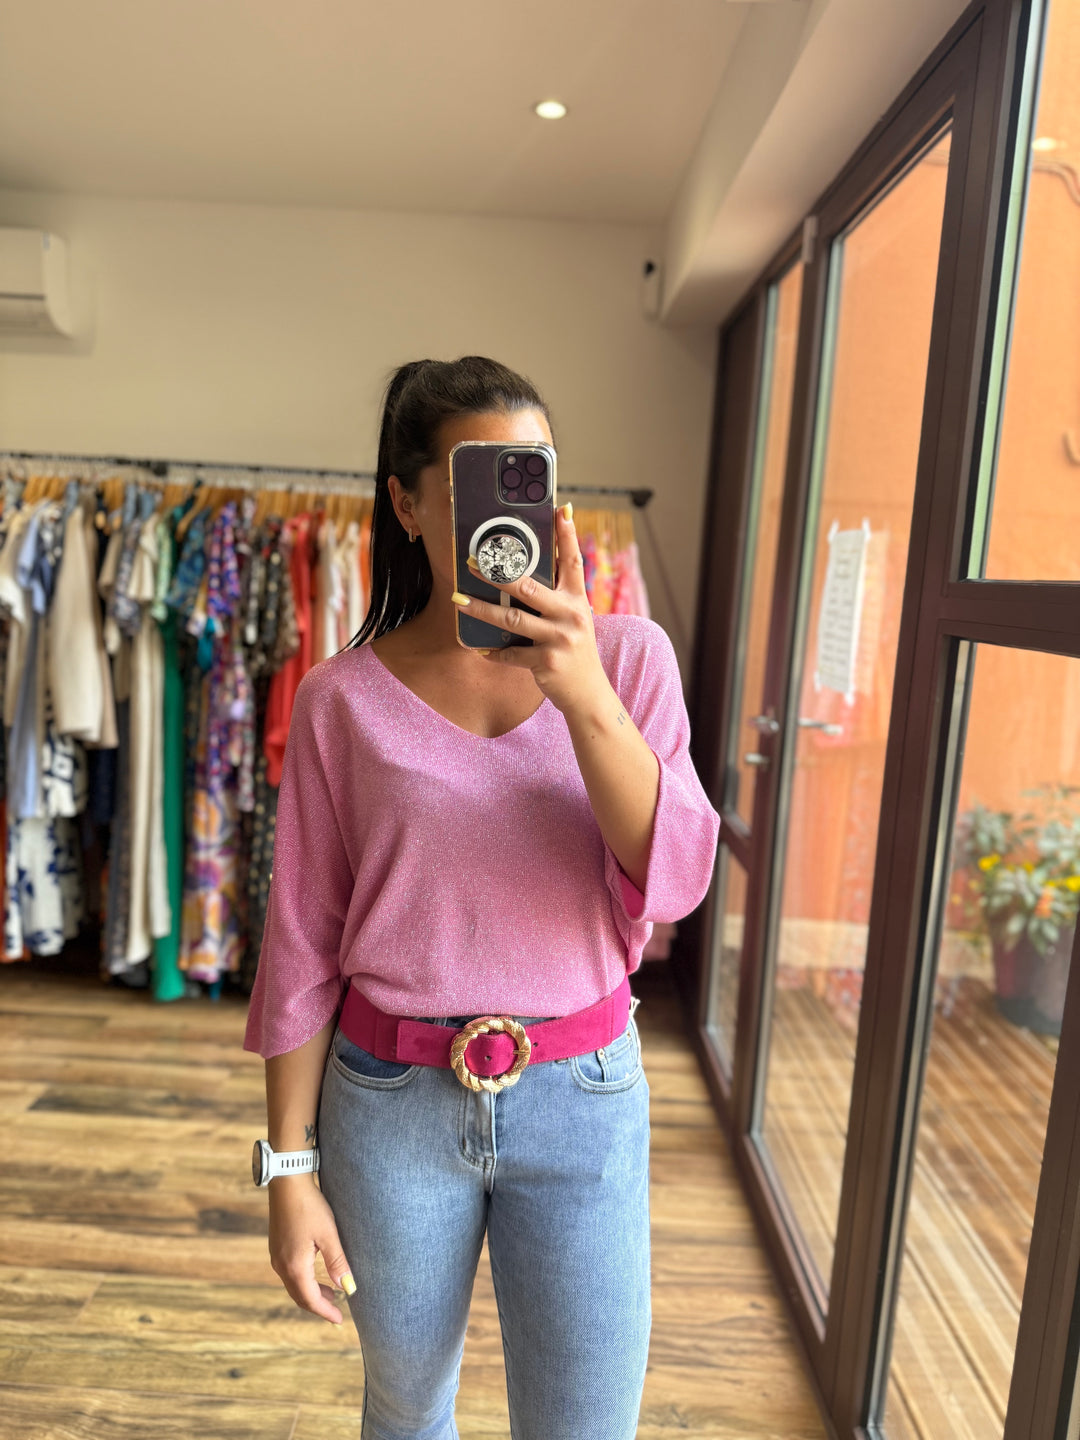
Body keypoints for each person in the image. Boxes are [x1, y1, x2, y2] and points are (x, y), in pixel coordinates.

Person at [245, 356, 720, 1440]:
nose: (513, 510)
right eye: (477, 480)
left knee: (586, 1424)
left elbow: (676, 880)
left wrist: (583, 695)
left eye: (533, 473)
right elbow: (302, 942)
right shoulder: (339, 701)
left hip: (583, 1098)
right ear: (409, 504)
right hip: (389, 1107)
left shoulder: (629, 660)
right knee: (407, 1411)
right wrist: (288, 1169)